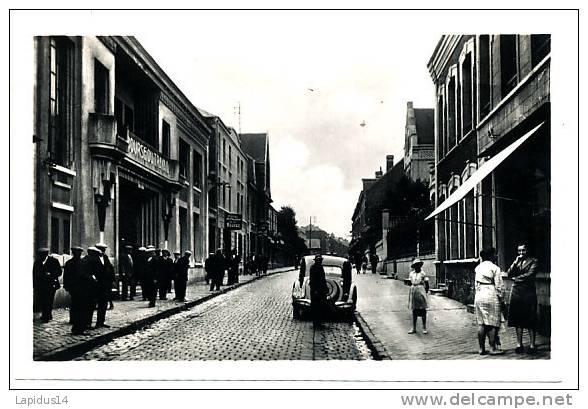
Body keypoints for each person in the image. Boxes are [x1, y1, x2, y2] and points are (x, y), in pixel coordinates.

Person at [507, 243, 539, 354]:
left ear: (528, 250)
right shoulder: (518, 261)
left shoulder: (534, 261)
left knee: (531, 317)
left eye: (523, 250)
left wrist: (516, 279)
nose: (521, 253)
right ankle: (519, 344)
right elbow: (508, 273)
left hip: (528, 292)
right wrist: (515, 261)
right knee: (517, 318)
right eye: (519, 251)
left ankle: (532, 345)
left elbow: (530, 275)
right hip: (516, 292)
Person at [474, 248, 504, 355]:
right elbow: (499, 286)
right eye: (495, 255)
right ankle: (492, 348)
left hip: (480, 294)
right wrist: (501, 299)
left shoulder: (478, 268)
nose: (496, 256)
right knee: (492, 322)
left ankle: (481, 348)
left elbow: (476, 285)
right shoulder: (495, 268)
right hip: (491, 294)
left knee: (481, 323)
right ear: (491, 256)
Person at [33, 247, 62, 323]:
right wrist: (35, 285)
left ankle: (47, 315)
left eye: (43, 255)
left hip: (51, 285)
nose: (41, 257)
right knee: (42, 300)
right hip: (41, 285)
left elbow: (59, 272)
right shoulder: (37, 262)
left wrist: (51, 274)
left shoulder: (54, 261)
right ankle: (45, 314)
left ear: (46, 255)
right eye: (40, 255)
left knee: (49, 300)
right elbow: (34, 274)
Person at [408, 258, 429, 334]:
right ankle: (414, 328)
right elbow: (410, 283)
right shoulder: (411, 274)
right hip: (414, 290)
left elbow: (427, 284)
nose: (417, 267)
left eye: (419, 265)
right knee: (414, 310)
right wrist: (412, 289)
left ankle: (424, 327)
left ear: (420, 266)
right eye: (416, 266)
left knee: (423, 310)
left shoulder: (423, 274)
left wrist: (425, 293)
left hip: (421, 290)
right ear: (414, 266)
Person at [309, 254, 328, 327]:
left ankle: (319, 321)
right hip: (315, 290)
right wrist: (315, 290)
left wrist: (325, 288)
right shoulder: (313, 268)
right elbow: (312, 280)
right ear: (316, 260)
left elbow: (323, 279)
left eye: (320, 260)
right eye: (318, 260)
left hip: (322, 290)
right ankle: (315, 321)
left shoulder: (321, 267)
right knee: (315, 306)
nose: (319, 261)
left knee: (321, 305)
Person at [96, 243, 115, 311]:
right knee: (99, 292)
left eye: (103, 250)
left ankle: (110, 303)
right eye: (101, 249)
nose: (102, 251)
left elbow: (110, 267)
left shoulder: (105, 257)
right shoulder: (95, 258)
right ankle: (98, 304)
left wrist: (112, 279)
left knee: (108, 292)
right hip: (99, 279)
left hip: (107, 279)